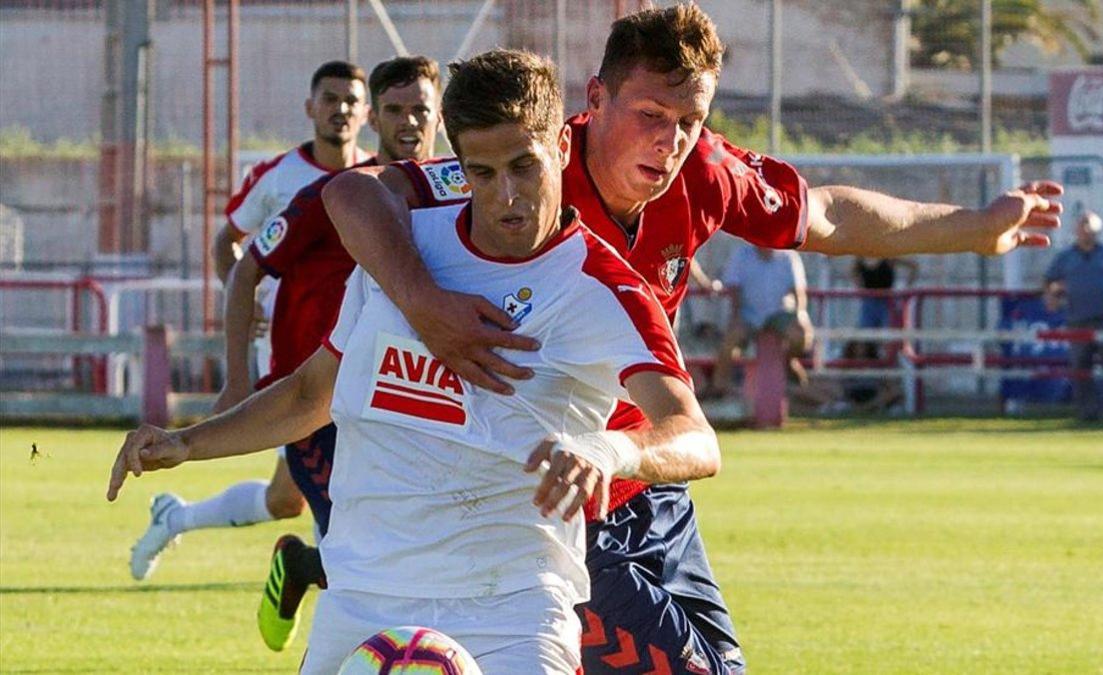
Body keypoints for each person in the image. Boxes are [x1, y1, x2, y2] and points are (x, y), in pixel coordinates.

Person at [322, 6, 1062, 672]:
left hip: (650, 475)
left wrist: (975, 228)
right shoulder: (527, 165)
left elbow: (831, 217)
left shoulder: (705, 172)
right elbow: (357, 193)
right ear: (596, 100)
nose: (671, 140)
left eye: (690, 119)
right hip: (554, 499)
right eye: (650, 113)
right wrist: (422, 301)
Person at [107, 49, 722, 674]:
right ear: (457, 168)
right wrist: (187, 444)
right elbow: (307, 396)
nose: (506, 196)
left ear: (562, 146)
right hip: (361, 605)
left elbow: (694, 436)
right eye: (482, 173)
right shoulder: (398, 255)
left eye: (523, 166)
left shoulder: (605, 290)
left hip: (511, 612)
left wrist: (610, 450)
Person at [218, 56, 446, 651]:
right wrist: (239, 379)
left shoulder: (458, 194)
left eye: (420, 108)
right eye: (395, 109)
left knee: (406, 550)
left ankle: (300, 567)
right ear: (377, 118)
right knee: (360, 561)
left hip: (404, 406)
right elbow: (245, 270)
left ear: (440, 113)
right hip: (316, 406)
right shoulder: (338, 195)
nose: (408, 121)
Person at [128, 61, 372, 583]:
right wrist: (246, 305)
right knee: (340, 516)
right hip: (297, 360)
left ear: (366, 112)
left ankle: (178, 517)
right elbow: (230, 248)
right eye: (330, 98)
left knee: (286, 500)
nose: (341, 109)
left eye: (351, 100)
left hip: (362, 356)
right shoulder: (281, 178)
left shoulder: (379, 177)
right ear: (311, 108)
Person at [1045, 211, 1103, 422]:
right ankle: (1087, 413)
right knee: (1079, 368)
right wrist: (1051, 296)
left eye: (1091, 228)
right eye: (1083, 227)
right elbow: (1049, 279)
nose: (1086, 232)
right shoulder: (1065, 257)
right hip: (1077, 320)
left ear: (1098, 231)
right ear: (1076, 230)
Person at [709, 243, 813, 397]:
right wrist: (736, 317)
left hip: (779, 313)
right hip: (748, 315)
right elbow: (734, 289)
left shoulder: (789, 256)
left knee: (803, 335)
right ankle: (718, 389)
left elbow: (798, 291)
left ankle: (789, 361)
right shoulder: (741, 254)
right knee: (729, 343)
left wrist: (801, 315)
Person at [998, 280, 1071, 413]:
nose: (1055, 299)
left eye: (1060, 295)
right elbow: (1005, 334)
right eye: (1052, 294)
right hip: (1030, 364)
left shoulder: (1071, 316)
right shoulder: (1027, 312)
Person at [852, 257, 919, 328]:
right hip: (868, 303)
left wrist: (906, 286)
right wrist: (859, 288)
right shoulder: (861, 257)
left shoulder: (888, 257)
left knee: (887, 333)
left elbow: (913, 266)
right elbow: (853, 271)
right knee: (866, 334)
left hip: (886, 303)